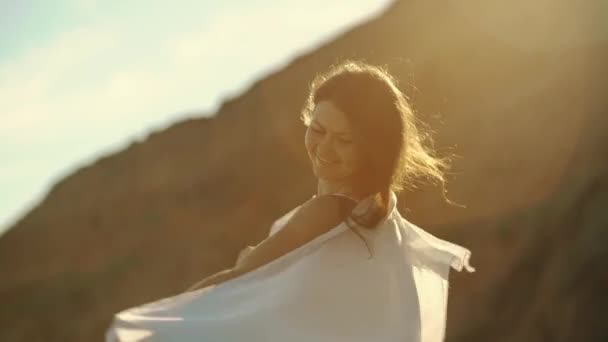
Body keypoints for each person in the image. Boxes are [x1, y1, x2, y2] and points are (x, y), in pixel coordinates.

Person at [105, 60, 474, 342]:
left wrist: (157, 325)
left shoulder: (333, 211)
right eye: (318, 129)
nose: (325, 148)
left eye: (344, 139)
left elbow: (236, 282)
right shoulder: (375, 213)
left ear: (372, 147)